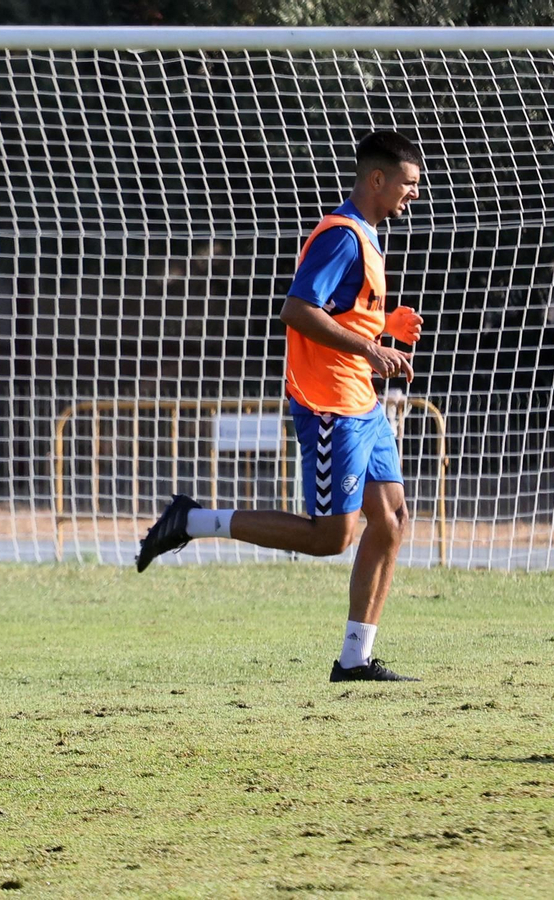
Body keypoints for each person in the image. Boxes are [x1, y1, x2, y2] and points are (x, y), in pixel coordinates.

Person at [137, 131, 427, 683]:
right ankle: (193, 520)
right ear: (377, 179)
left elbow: (340, 309)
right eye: (410, 184)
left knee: (390, 521)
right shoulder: (341, 236)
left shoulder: (367, 236)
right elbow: (297, 308)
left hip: (360, 399)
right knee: (331, 537)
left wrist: (381, 326)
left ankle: (355, 659)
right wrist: (371, 347)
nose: (415, 194)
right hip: (328, 405)